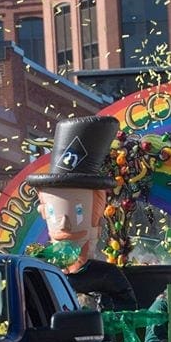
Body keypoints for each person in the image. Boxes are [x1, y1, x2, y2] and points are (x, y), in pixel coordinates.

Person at [28, 115, 137, 311]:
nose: (64, 224)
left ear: (97, 212)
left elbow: (127, 310)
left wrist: (97, 306)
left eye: (79, 212)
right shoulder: (38, 270)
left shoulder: (105, 275)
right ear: (43, 210)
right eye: (53, 211)